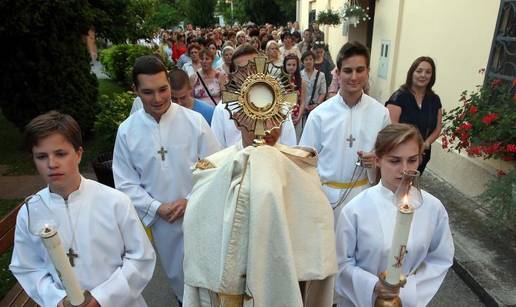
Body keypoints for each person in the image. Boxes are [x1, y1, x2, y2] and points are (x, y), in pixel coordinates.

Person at [182, 44, 338, 307]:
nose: (263, 124)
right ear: (236, 116)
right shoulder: (213, 170)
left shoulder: (300, 170)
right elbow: (200, 238)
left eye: (272, 115)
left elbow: (315, 246)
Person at [10, 111, 156, 307]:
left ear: (78, 154)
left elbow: (141, 257)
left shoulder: (115, 201)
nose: (52, 164)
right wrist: (56, 299)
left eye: (60, 154)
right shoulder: (30, 212)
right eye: (42, 156)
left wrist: (102, 297)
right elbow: (28, 267)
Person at [113, 55, 220, 304]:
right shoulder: (127, 132)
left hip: (200, 214)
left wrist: (189, 200)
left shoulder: (195, 122)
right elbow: (125, 182)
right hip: (163, 223)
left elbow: (215, 167)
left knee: (210, 281)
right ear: (136, 91)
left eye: (163, 89)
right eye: (148, 92)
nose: (158, 98)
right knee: (179, 280)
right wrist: (156, 207)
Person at [335, 123, 454, 307]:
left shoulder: (433, 208)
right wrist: (373, 285)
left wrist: (408, 292)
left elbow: (440, 257)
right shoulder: (355, 210)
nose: (405, 169)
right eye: (395, 161)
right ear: (377, 160)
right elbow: (340, 264)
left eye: (412, 160)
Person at [299, 41, 390, 224]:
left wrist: (375, 161)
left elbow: (389, 159)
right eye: (348, 71)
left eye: (360, 70)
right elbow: (304, 162)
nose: (354, 77)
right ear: (338, 74)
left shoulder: (381, 113)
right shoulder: (319, 115)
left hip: (364, 196)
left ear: (368, 72)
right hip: (326, 198)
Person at [211, 44, 297, 148]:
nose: (249, 74)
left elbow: (290, 146)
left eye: (253, 67)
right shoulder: (222, 108)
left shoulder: (280, 103)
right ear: (233, 76)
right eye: (243, 70)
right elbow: (217, 151)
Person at [385, 56, 442, 174]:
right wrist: (412, 148)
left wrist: (425, 144)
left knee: (411, 187)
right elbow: (391, 129)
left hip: (423, 154)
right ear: (412, 73)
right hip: (399, 154)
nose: (423, 75)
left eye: (428, 72)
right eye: (419, 71)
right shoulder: (399, 98)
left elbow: (437, 128)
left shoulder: (434, 100)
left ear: (432, 76)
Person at [300, 50, 327, 127]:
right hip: (302, 110)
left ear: (314, 61)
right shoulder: (299, 75)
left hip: (315, 108)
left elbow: (323, 92)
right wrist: (303, 106)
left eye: (310, 59)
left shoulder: (321, 75)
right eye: (306, 59)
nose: (308, 61)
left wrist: (316, 104)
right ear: (303, 62)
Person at [284, 53, 307, 141]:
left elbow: (303, 102)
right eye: (289, 64)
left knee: (296, 141)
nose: (291, 67)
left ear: (297, 66)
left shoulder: (302, 82)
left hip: (297, 115)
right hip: (284, 117)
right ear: (285, 65)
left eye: (294, 65)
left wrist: (298, 117)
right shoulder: (280, 81)